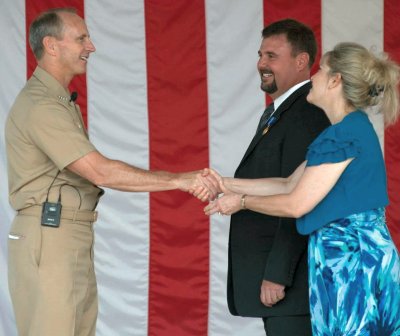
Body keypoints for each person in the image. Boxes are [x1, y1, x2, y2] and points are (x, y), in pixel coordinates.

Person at [5, 8, 217, 336]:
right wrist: (180, 180)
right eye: (81, 39)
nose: (91, 47)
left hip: (63, 234)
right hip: (51, 236)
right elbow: (99, 172)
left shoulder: (58, 101)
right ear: (51, 45)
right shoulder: (43, 105)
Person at [204, 42, 400, 335]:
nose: (314, 77)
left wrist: (241, 201)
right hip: (345, 260)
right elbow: (288, 183)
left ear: (336, 81)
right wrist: (222, 184)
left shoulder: (344, 135)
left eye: (320, 70)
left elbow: (296, 203)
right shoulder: (345, 131)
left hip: (352, 263)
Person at [199, 19, 330, 335]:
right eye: (260, 55)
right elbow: (283, 183)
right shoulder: (282, 110)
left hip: (295, 285)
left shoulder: (308, 112)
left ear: (301, 61)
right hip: (285, 284)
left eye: (272, 56)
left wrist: (278, 273)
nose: (261, 64)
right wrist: (221, 183)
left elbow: (302, 197)